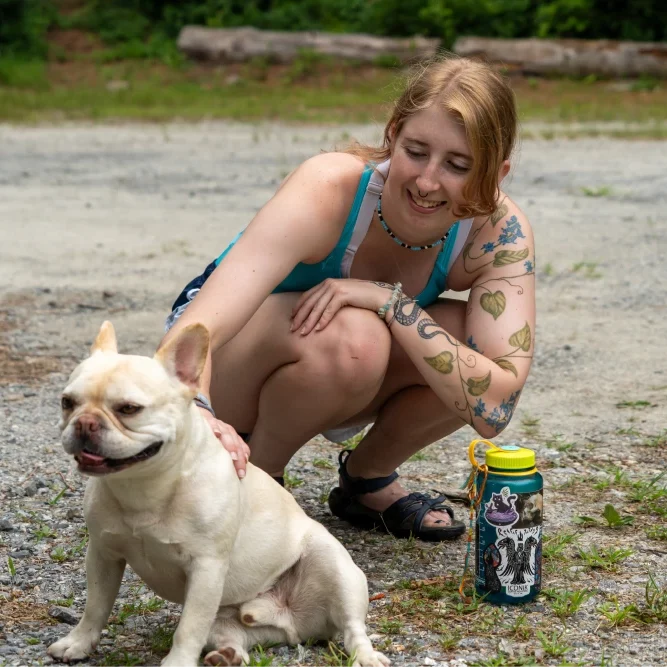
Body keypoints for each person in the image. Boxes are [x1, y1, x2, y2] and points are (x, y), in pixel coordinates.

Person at [160, 55, 535, 542]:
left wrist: (390, 303)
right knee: (357, 337)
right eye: (415, 151)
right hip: (225, 365)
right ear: (393, 133)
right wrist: (199, 413)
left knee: (461, 339)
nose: (426, 181)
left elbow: (495, 404)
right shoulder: (330, 187)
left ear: (497, 173)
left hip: (335, 357)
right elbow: (198, 329)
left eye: (458, 166)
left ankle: (367, 480)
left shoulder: (498, 233)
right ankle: (255, 489)